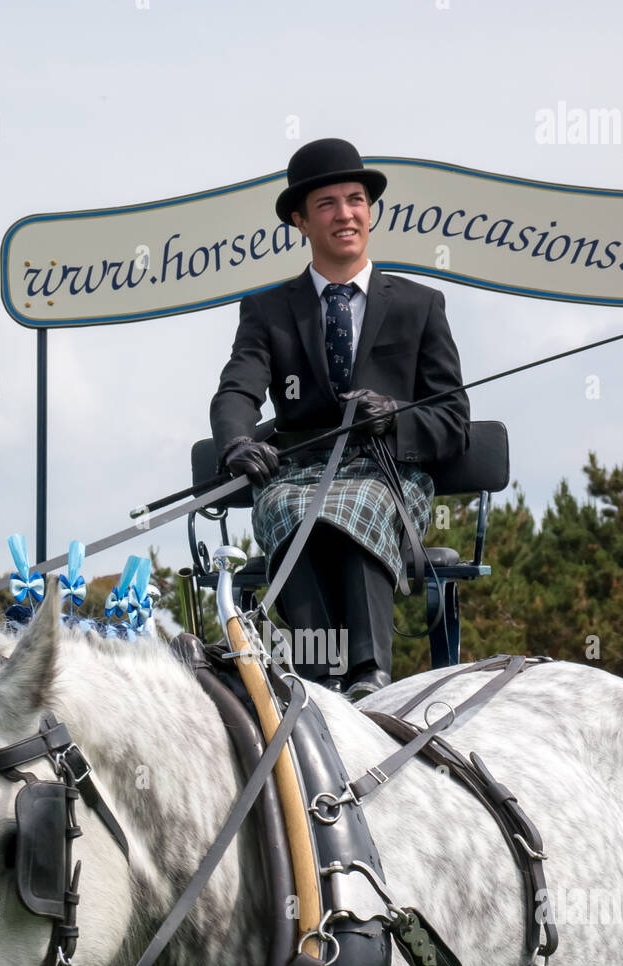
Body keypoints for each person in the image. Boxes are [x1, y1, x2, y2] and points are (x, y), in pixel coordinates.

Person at [210, 137, 470, 699]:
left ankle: (369, 673)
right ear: (301, 221)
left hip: (387, 474)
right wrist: (235, 442)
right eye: (327, 204)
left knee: (356, 503)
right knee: (285, 504)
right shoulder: (267, 309)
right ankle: (319, 674)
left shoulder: (420, 305)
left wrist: (397, 416)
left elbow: (452, 417)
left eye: (356, 199)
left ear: (369, 211)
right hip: (299, 474)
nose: (345, 213)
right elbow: (237, 389)